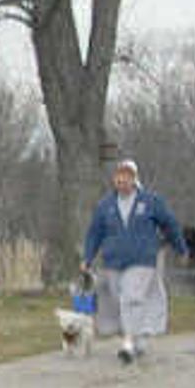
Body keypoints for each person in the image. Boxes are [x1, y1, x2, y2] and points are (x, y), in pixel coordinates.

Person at [79, 156, 187, 365]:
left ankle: (127, 343)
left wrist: (181, 248)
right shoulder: (105, 206)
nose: (121, 181)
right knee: (123, 301)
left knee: (132, 296)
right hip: (114, 262)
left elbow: (170, 224)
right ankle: (139, 339)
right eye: (118, 176)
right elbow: (94, 234)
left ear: (134, 179)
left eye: (126, 177)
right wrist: (88, 257)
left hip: (142, 259)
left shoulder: (150, 202)